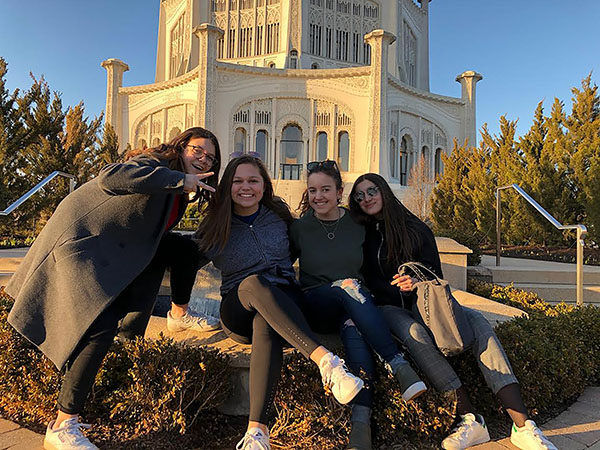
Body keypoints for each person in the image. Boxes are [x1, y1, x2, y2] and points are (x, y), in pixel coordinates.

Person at [5, 127, 221, 450]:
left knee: (188, 249)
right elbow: (110, 178)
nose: (203, 160)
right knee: (99, 327)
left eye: (210, 157)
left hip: (112, 249)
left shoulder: (177, 189)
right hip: (83, 242)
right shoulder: (156, 163)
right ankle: (63, 424)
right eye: (197, 151)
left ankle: (178, 314)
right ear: (181, 146)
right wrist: (179, 181)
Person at [348, 173, 558, 450]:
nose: (366, 199)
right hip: (387, 307)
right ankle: (469, 418)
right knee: (415, 334)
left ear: (384, 191)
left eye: (372, 191)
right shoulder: (357, 232)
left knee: (479, 324)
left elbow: (435, 273)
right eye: (359, 195)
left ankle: (522, 424)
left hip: (426, 302)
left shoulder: (415, 228)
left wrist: (416, 280)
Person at [194, 155, 364, 450]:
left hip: (282, 302)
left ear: (264, 186)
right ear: (227, 186)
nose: (245, 187)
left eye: (253, 181)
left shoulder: (278, 216)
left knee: (267, 321)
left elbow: (310, 241)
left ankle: (256, 433)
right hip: (238, 306)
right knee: (254, 282)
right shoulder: (216, 223)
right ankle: (327, 362)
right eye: (238, 181)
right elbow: (185, 260)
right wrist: (178, 306)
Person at [289, 160, 427, 450]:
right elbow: (281, 265)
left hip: (355, 307)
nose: (319, 196)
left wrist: (411, 278)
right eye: (313, 190)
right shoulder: (300, 228)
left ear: (339, 191)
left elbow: (387, 247)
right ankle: (396, 363)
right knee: (347, 286)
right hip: (318, 303)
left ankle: (360, 426)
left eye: (326, 189)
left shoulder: (357, 223)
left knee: (355, 328)